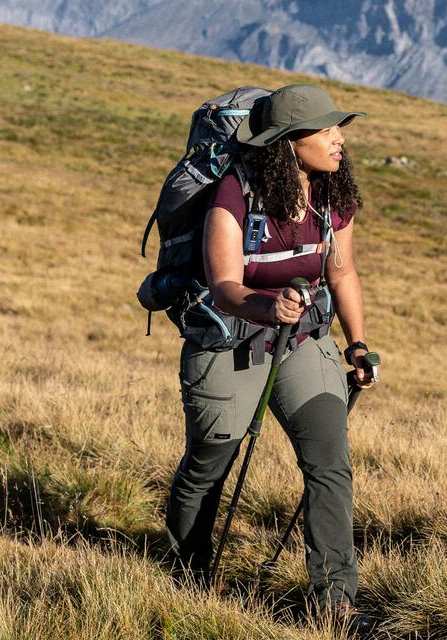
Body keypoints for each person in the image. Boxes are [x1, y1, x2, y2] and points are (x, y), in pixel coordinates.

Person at [160, 84, 378, 629]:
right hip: (229, 341)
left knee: (329, 463)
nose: (338, 138)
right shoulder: (235, 193)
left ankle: (335, 602)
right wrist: (266, 304)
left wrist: (356, 344)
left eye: (337, 127)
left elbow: (342, 271)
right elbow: (224, 284)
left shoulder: (332, 195)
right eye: (326, 130)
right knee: (208, 464)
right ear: (287, 142)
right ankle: (188, 574)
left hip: (303, 341)